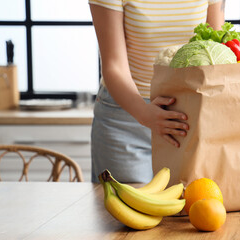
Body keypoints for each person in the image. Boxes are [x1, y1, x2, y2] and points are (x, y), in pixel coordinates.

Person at [88, 0, 226, 183]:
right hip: (126, 119)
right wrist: (144, 113)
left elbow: (217, 56)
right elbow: (114, 65)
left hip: (189, 115)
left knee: (192, 206)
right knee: (128, 208)